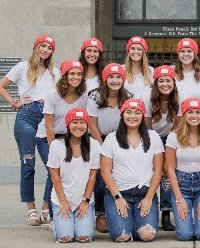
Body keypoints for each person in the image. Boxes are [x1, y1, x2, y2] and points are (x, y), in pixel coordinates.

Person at [0, 34, 59, 225]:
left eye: (49, 48)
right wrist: (13, 102)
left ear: (52, 52)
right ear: (36, 47)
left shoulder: (54, 73)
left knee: (53, 165)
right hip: (26, 116)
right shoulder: (23, 67)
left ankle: (46, 206)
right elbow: (2, 85)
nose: (45, 50)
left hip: (47, 117)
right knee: (28, 165)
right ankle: (31, 209)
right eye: (42, 46)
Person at [101, 98, 164, 242]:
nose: (132, 116)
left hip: (144, 194)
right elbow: (105, 171)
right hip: (119, 193)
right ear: (122, 115)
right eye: (128, 112)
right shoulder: (111, 138)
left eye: (137, 113)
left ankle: (135, 223)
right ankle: (127, 224)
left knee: (146, 235)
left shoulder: (153, 137)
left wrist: (149, 198)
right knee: (122, 236)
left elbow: (159, 169)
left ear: (143, 116)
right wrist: (117, 197)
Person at [166, 98, 200, 241]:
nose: (194, 116)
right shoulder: (173, 137)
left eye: (197, 112)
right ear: (184, 115)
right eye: (190, 112)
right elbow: (170, 169)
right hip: (181, 185)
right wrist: (179, 199)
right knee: (184, 235)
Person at [86, 63, 130, 233]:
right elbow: (92, 124)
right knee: (99, 176)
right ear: (105, 79)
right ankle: (101, 213)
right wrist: (103, 146)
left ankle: (122, 207)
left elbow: (129, 122)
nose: (115, 80)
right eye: (111, 77)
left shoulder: (128, 96)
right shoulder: (95, 96)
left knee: (119, 174)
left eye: (119, 77)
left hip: (120, 138)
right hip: (99, 139)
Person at [47, 108, 100, 243]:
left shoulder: (94, 145)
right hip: (62, 200)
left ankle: (80, 220)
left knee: (83, 237)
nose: (78, 126)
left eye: (82, 122)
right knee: (66, 237)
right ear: (68, 124)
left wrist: (85, 201)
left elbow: (92, 177)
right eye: (74, 122)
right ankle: (57, 223)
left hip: (83, 200)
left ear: (87, 125)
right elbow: (55, 177)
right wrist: (63, 203)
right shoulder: (56, 145)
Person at [143, 64, 180, 231]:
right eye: (161, 81)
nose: (165, 84)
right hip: (150, 138)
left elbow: (177, 128)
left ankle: (166, 213)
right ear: (156, 83)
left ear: (174, 82)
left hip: (172, 138)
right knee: (150, 173)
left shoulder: (179, 98)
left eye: (169, 80)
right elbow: (147, 128)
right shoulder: (148, 98)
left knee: (166, 174)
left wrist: (167, 153)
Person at [175, 38, 200, 102]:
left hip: (197, 111)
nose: (186, 54)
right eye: (182, 51)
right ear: (178, 54)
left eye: (189, 51)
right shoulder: (172, 72)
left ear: (194, 54)